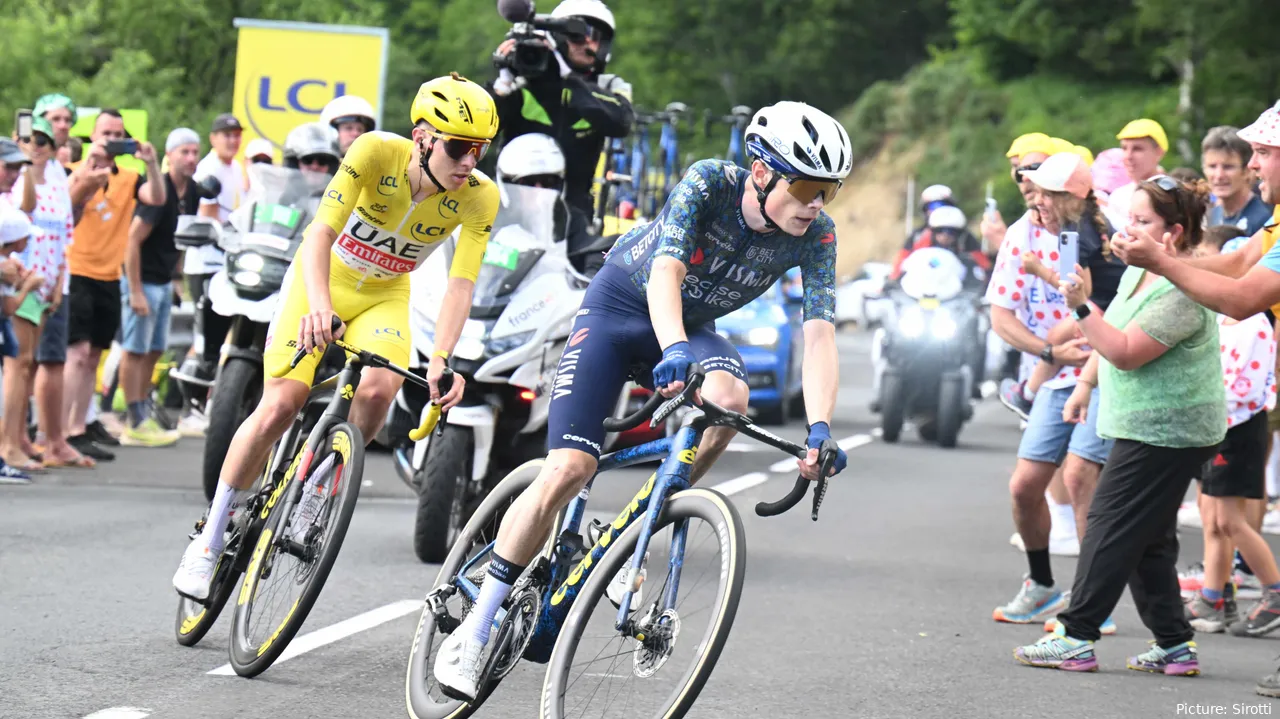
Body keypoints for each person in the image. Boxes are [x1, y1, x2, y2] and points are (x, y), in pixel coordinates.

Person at [431, 99, 853, 700]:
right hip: (621, 310)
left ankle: (640, 529)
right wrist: (674, 347)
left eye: (828, 192)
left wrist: (819, 427)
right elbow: (666, 275)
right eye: (808, 186)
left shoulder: (817, 236)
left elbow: (819, 335)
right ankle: (476, 628)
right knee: (571, 468)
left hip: (690, 325)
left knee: (731, 398)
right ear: (761, 171)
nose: (816, 204)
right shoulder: (710, 182)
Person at [171, 72, 499, 600]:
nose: (469, 162)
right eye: (459, 148)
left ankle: (315, 493)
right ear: (423, 137)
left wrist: (442, 357)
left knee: (379, 389)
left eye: (480, 151)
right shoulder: (374, 153)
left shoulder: (480, 198)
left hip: (385, 295)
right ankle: (208, 539)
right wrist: (320, 308)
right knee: (282, 403)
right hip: (323, 278)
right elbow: (320, 233)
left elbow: (461, 285)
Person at [1014, 174, 1223, 676]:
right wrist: (1085, 383)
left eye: (1142, 221)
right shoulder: (1138, 272)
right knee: (1148, 538)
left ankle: (1076, 635)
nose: (1126, 229)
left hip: (1167, 430)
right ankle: (1174, 644)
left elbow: (1126, 353)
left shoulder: (1182, 289)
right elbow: (1115, 331)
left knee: (1108, 526)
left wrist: (1080, 306)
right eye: (1127, 217)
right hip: (1142, 424)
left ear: (1172, 233)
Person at [1177, 230, 1280, 637]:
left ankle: (1274, 591)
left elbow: (1246, 388)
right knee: (1215, 520)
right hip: (1216, 426)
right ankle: (1215, 597)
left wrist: (1204, 406)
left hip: (1236, 430)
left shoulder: (1255, 324)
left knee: (1231, 520)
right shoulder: (1218, 318)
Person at [487, 0, 634, 273]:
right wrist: (501, 83)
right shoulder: (525, 83)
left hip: (574, 215)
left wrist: (568, 79)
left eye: (595, 36)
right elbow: (483, 131)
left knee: (583, 277)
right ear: (556, 38)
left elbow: (620, 121)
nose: (586, 43)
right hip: (511, 211)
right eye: (576, 35)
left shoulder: (610, 86)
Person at [64, 109, 166, 461]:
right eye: (106, 132)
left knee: (93, 355)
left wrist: (152, 163)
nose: (112, 139)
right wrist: (90, 164)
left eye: (119, 133)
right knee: (75, 354)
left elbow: (157, 197)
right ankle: (65, 431)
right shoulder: (77, 169)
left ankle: (80, 426)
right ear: (92, 135)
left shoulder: (128, 175)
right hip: (76, 270)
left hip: (109, 275)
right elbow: (68, 198)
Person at [119, 129, 203, 447]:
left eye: (195, 152)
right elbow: (132, 240)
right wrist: (136, 290)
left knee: (155, 349)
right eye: (185, 152)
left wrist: (178, 278)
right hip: (142, 279)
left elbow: (182, 237)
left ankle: (142, 411)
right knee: (136, 349)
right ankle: (134, 418)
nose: (191, 158)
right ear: (169, 155)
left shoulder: (192, 191)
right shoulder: (160, 190)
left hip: (164, 281)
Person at [22, 95, 90, 469]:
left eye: (66, 121)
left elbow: (65, 230)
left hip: (54, 279)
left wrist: (59, 277)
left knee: (48, 360)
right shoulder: (19, 171)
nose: (43, 145)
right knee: (28, 363)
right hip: (27, 280)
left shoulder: (60, 174)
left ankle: (47, 439)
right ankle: (36, 439)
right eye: (41, 132)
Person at [180, 113, 247, 437]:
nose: (232, 140)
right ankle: (189, 408)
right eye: (226, 135)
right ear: (213, 138)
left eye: (236, 135)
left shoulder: (236, 169)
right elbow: (208, 218)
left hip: (228, 262)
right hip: (206, 262)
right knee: (205, 336)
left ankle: (211, 405)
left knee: (221, 338)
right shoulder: (209, 169)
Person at [1203, 126, 1274, 236]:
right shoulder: (1213, 214)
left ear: (1247, 170)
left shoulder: (1264, 219)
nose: (1219, 175)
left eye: (1228, 167)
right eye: (1212, 166)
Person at [889, 203, 990, 280]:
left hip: (957, 294)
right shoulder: (920, 240)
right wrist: (893, 279)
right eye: (940, 231)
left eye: (951, 232)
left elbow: (984, 266)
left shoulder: (966, 242)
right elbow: (903, 261)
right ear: (932, 231)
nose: (945, 235)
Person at [1102, 118, 1168, 229]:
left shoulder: (1172, 194)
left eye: (1137, 149)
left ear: (1159, 152)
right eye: (1124, 148)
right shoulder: (1118, 197)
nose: (1128, 156)